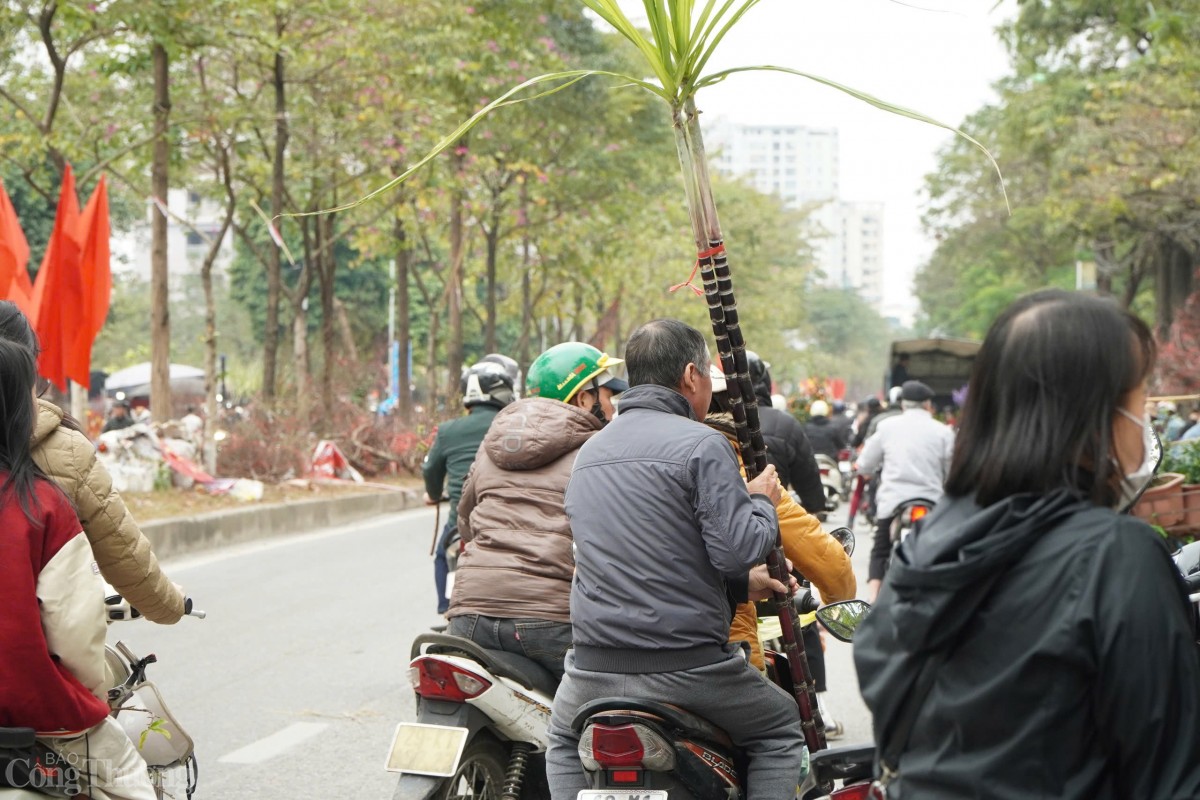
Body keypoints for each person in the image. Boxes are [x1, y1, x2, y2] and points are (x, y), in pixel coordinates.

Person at [854, 289, 1200, 799]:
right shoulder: (1114, 556)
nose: (1144, 417)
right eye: (1140, 396)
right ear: (1092, 414)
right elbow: (1170, 776)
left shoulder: (927, 544)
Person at [548, 319, 805, 800]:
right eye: (708, 372)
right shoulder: (702, 444)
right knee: (779, 728)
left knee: (562, 740)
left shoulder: (589, 452)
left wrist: (737, 585)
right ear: (691, 375)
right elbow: (738, 549)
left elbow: (651, 553)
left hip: (591, 667)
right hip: (689, 668)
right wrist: (760, 500)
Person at [0, 337, 158, 800]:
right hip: (34, 709)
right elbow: (74, 630)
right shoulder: (40, 504)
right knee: (129, 778)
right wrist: (89, 696)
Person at [446, 343, 626, 678]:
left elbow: (465, 521)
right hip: (551, 622)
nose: (612, 408)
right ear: (582, 398)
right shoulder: (599, 453)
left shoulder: (491, 446)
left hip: (469, 616)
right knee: (607, 711)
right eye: (605, 394)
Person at [0, 302, 185, 624]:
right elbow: (122, 552)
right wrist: (170, 605)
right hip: (32, 655)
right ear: (27, 366)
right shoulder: (63, 449)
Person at [705, 364, 856, 737]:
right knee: (781, 736)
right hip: (714, 646)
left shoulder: (602, 455)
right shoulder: (738, 465)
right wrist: (839, 596)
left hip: (603, 658)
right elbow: (827, 562)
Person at [423, 359, 515, 615]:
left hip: (460, 523)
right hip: (504, 519)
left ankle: (445, 605)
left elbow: (430, 470)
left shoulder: (447, 430)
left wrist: (431, 495)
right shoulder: (511, 423)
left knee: (444, 551)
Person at [857, 380, 954, 602]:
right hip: (932, 503)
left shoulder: (888, 427)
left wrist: (867, 471)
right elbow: (952, 470)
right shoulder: (943, 432)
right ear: (928, 405)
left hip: (893, 502)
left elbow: (864, 464)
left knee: (881, 549)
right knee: (942, 551)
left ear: (903, 405)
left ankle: (872, 599)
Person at [747, 350, 826, 515]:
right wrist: (816, 504)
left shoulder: (710, 422)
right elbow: (808, 481)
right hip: (777, 519)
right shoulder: (786, 424)